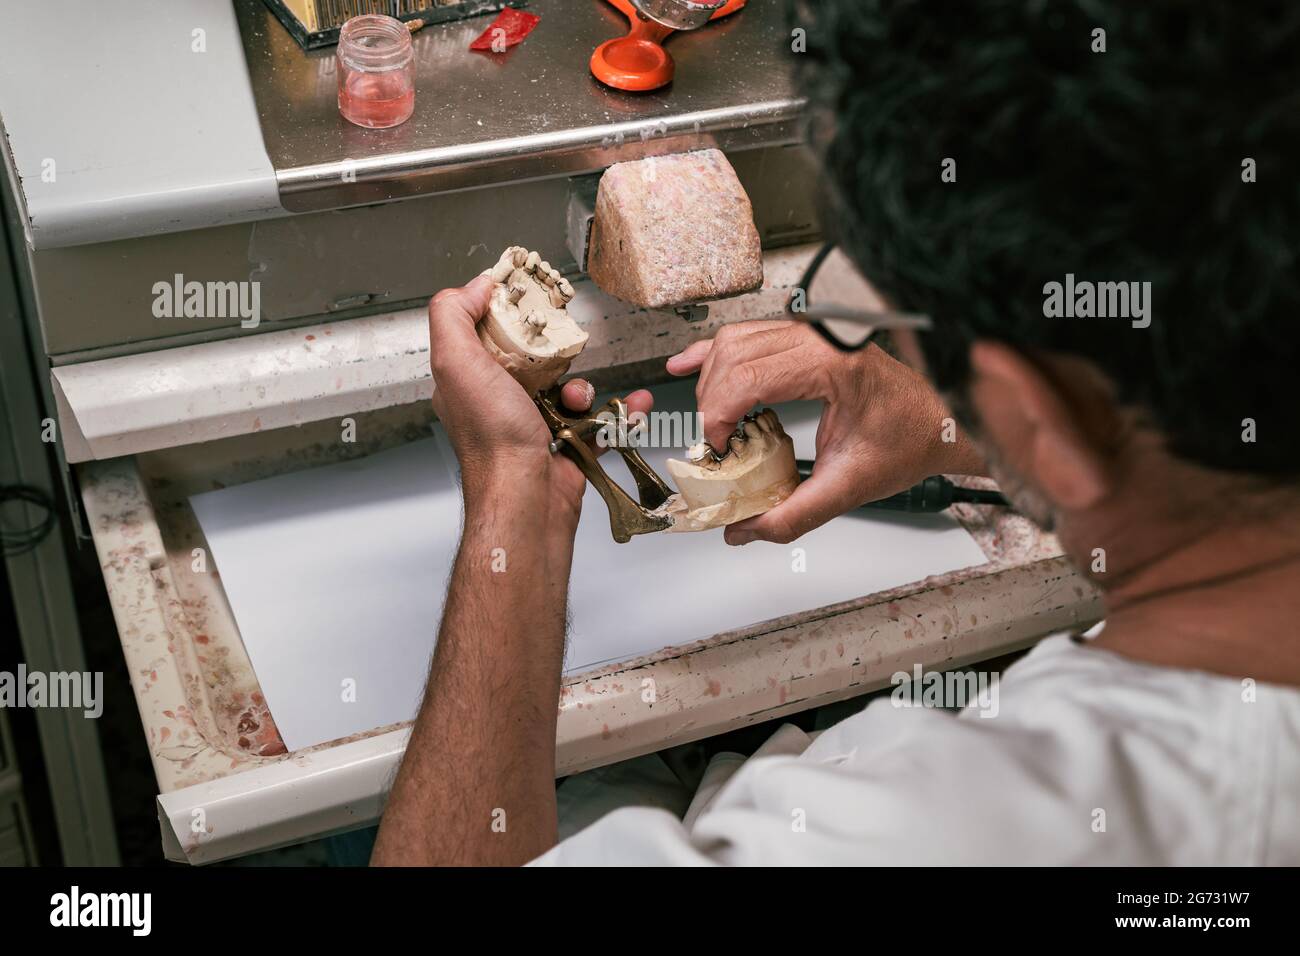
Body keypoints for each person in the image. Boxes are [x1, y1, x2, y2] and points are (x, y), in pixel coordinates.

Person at [370, 0, 1299, 865]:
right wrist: (956, 427)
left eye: (882, 323)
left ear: (1038, 412)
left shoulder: (907, 834)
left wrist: (510, 496)